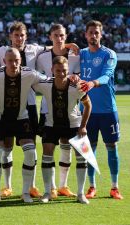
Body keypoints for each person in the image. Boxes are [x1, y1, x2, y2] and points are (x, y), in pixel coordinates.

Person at [0, 22, 79, 198]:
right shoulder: (0, 52)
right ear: (10, 37)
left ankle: (31, 186)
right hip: (7, 106)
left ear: (26, 36)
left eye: (22, 35)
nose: (19, 38)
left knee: (30, 147)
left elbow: (53, 45)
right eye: (16, 35)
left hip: (29, 106)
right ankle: (7, 186)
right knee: (7, 146)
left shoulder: (35, 49)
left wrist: (68, 45)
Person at [0, 48, 47, 203]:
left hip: (21, 117)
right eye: (10, 61)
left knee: (30, 153)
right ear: (4, 61)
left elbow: (47, 80)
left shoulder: (29, 73)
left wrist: (70, 79)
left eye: (16, 60)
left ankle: (26, 192)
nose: (13, 64)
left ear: (21, 60)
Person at [33, 56, 91, 204]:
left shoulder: (76, 86)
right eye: (58, 70)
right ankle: (47, 192)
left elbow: (88, 105)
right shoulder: (45, 84)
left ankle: (80, 194)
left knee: (82, 157)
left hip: (74, 125)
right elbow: (30, 81)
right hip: (52, 125)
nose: (61, 73)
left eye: (64, 70)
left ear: (68, 70)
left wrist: (83, 126)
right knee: (47, 153)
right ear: (52, 70)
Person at [79, 20, 123, 200]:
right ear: (86, 35)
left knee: (111, 146)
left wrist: (92, 83)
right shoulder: (80, 54)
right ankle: (91, 186)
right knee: (89, 148)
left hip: (107, 110)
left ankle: (115, 187)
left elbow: (106, 76)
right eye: (90, 32)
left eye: (96, 32)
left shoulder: (109, 54)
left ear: (101, 34)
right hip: (88, 111)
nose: (93, 35)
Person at [36, 23, 80, 198]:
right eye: (56, 35)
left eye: (62, 35)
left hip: (69, 109)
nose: (59, 38)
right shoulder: (42, 56)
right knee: (49, 148)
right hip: (49, 109)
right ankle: (52, 188)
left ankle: (63, 185)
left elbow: (78, 79)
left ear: (66, 35)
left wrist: (68, 46)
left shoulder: (76, 56)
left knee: (67, 146)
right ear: (50, 36)